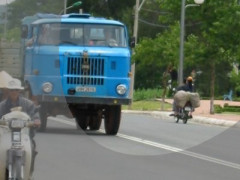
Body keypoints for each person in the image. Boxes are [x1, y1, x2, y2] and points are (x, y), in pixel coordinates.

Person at [0, 78, 41, 175]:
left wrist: (36, 121)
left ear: (19, 91)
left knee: (32, 148)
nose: (13, 92)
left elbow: (35, 115)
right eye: (11, 90)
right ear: (8, 91)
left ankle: (29, 173)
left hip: (24, 135)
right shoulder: (2, 106)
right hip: (5, 135)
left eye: (16, 90)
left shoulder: (29, 104)